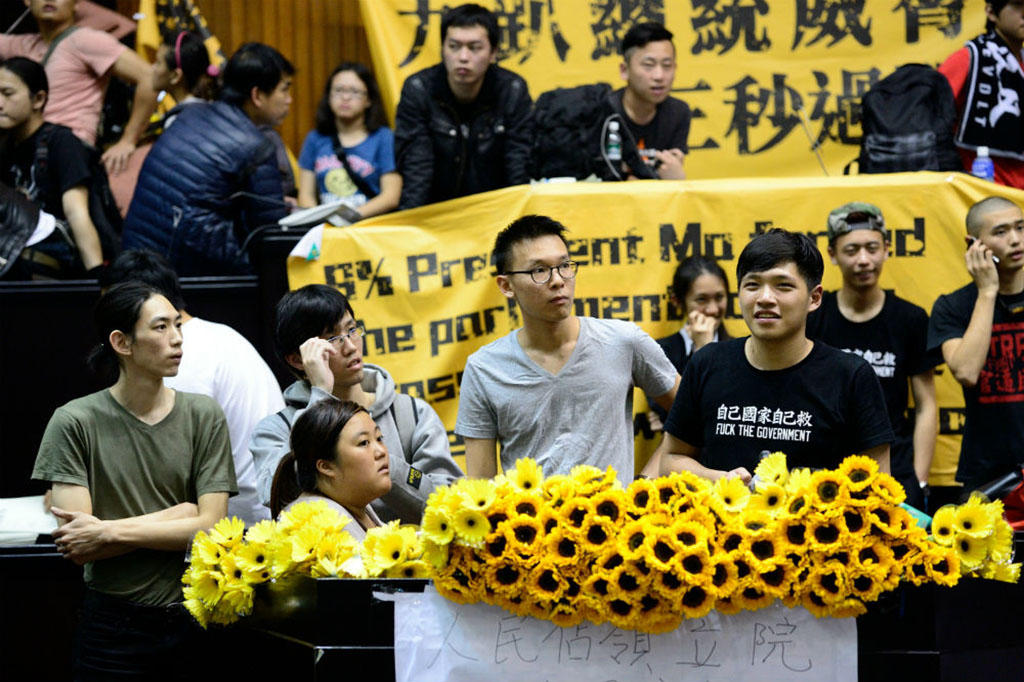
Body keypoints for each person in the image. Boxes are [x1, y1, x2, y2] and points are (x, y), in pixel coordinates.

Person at [31, 281, 236, 678]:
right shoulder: (75, 421)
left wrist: (108, 532)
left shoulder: (202, 414)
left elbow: (212, 527)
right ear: (122, 343)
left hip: (194, 616)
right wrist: (181, 513)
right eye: (161, 328)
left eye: (178, 325)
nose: (177, 339)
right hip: (113, 627)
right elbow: (79, 545)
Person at [456, 214, 680, 486]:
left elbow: (690, 418)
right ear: (506, 286)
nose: (558, 280)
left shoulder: (623, 341)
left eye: (564, 266)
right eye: (539, 271)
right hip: (529, 525)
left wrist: (645, 482)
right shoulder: (484, 368)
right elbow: (480, 486)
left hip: (617, 523)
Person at [657, 228, 893, 482]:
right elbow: (671, 460)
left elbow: (878, 484)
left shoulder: (851, 376)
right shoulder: (707, 363)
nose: (765, 298)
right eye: (752, 285)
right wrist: (721, 480)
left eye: (783, 286)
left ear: (814, 298)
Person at [100, 249, 285, 526]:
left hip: (239, 525)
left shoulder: (173, 357)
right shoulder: (221, 334)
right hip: (260, 508)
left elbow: (166, 479)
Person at [250, 284, 462, 524]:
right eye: (333, 339)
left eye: (352, 330)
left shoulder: (411, 413)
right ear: (298, 359)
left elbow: (449, 504)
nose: (351, 346)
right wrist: (320, 396)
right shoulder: (276, 429)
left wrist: (376, 457)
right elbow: (277, 496)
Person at [806, 202, 938, 509]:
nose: (863, 260)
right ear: (832, 255)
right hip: (826, 467)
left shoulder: (910, 319)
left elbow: (926, 404)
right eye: (851, 250)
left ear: (887, 249)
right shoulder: (814, 317)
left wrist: (919, 479)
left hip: (895, 467)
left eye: (872, 248)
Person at [122, 42, 292, 275]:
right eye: (285, 89)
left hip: (135, 261)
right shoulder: (256, 146)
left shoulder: (189, 114)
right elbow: (269, 238)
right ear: (257, 95)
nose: (289, 99)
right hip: (181, 278)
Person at [927, 196, 1024, 492]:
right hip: (988, 472)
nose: (1016, 240)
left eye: (1021, 228)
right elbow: (967, 372)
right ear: (973, 243)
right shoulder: (953, 306)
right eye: (1001, 232)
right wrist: (988, 292)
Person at [394, 3, 532, 209]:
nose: (463, 57)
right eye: (454, 46)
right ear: (442, 49)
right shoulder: (418, 89)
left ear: (493, 53)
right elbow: (417, 168)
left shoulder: (512, 90)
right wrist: (410, 227)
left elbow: (518, 165)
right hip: (436, 211)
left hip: (496, 211)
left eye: (474, 48)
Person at [0, 0, 159, 175]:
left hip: (69, 156)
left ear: (76, 4)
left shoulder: (85, 40)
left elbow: (150, 78)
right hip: (31, 155)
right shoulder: (25, 44)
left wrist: (128, 140)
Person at [0, 56, 105, 277]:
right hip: (16, 249)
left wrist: (97, 277)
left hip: (55, 254)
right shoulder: (6, 145)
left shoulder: (61, 142)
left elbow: (76, 211)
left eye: (7, 94)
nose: (0, 103)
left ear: (38, 99)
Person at [111, 30, 217, 216]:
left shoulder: (182, 123)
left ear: (175, 76)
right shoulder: (205, 113)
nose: (152, 68)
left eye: (158, 63)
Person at [269, 399, 389, 540]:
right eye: (363, 443)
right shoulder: (314, 522)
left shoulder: (354, 503)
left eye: (379, 438)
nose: (381, 451)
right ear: (326, 466)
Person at [298, 61, 400, 219]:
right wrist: (320, 221)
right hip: (328, 228)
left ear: (369, 100)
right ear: (329, 96)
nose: (345, 98)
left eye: (354, 92)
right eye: (338, 90)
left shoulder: (384, 138)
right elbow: (305, 196)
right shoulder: (314, 139)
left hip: (369, 228)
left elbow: (391, 196)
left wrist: (349, 217)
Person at [938, 0, 1024, 188]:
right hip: (986, 192)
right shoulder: (971, 58)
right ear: (991, 12)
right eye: (1018, 5)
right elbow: (931, 115)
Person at [648, 256, 732, 428]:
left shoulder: (741, 348)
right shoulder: (658, 351)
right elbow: (676, 413)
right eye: (702, 299)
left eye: (719, 297)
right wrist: (701, 351)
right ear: (678, 301)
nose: (713, 309)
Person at [610, 22, 690, 180]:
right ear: (624, 70)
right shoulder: (604, 112)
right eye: (649, 65)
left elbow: (671, 174)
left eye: (667, 66)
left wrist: (677, 181)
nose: (659, 76)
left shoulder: (678, 113)